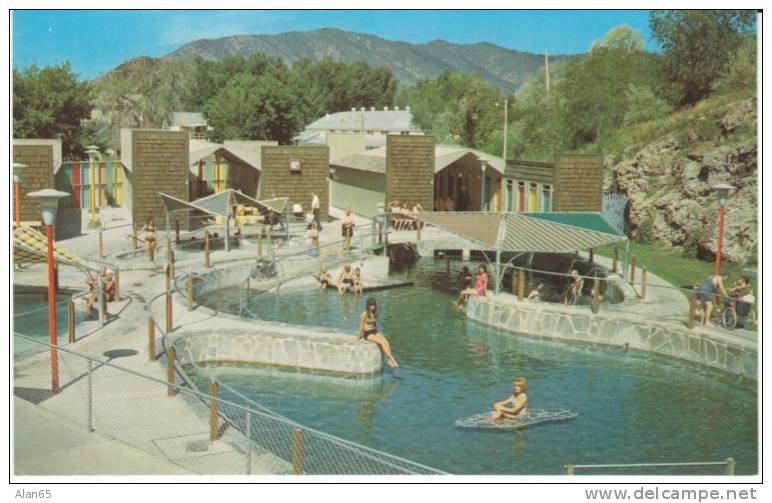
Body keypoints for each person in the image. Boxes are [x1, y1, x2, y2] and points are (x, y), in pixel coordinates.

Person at [358, 297, 398, 368]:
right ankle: (392, 359)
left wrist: (377, 333)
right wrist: (359, 336)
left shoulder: (375, 313)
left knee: (386, 342)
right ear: (367, 305)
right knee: (381, 343)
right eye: (370, 305)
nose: (372, 307)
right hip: (367, 333)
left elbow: (374, 324)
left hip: (374, 331)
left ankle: (388, 360)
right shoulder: (364, 314)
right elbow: (361, 327)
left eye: (373, 305)